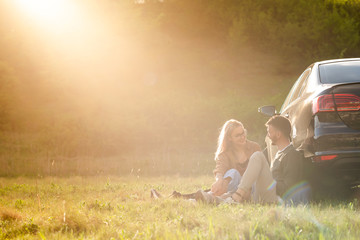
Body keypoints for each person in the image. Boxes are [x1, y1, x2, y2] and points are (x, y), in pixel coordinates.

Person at [230, 115, 310, 205]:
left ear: (278, 134)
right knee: (227, 196)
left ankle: (238, 195)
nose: (268, 135)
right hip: (266, 195)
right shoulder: (277, 154)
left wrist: (269, 181)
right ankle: (215, 198)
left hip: (280, 200)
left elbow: (289, 188)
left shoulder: (292, 155)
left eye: (269, 132)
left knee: (257, 156)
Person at [211, 119, 261, 197]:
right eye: (238, 135)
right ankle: (220, 195)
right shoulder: (225, 153)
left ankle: (221, 197)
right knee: (233, 172)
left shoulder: (254, 147)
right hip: (234, 188)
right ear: (229, 138)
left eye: (243, 133)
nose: (242, 137)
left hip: (252, 189)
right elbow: (220, 168)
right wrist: (219, 180)